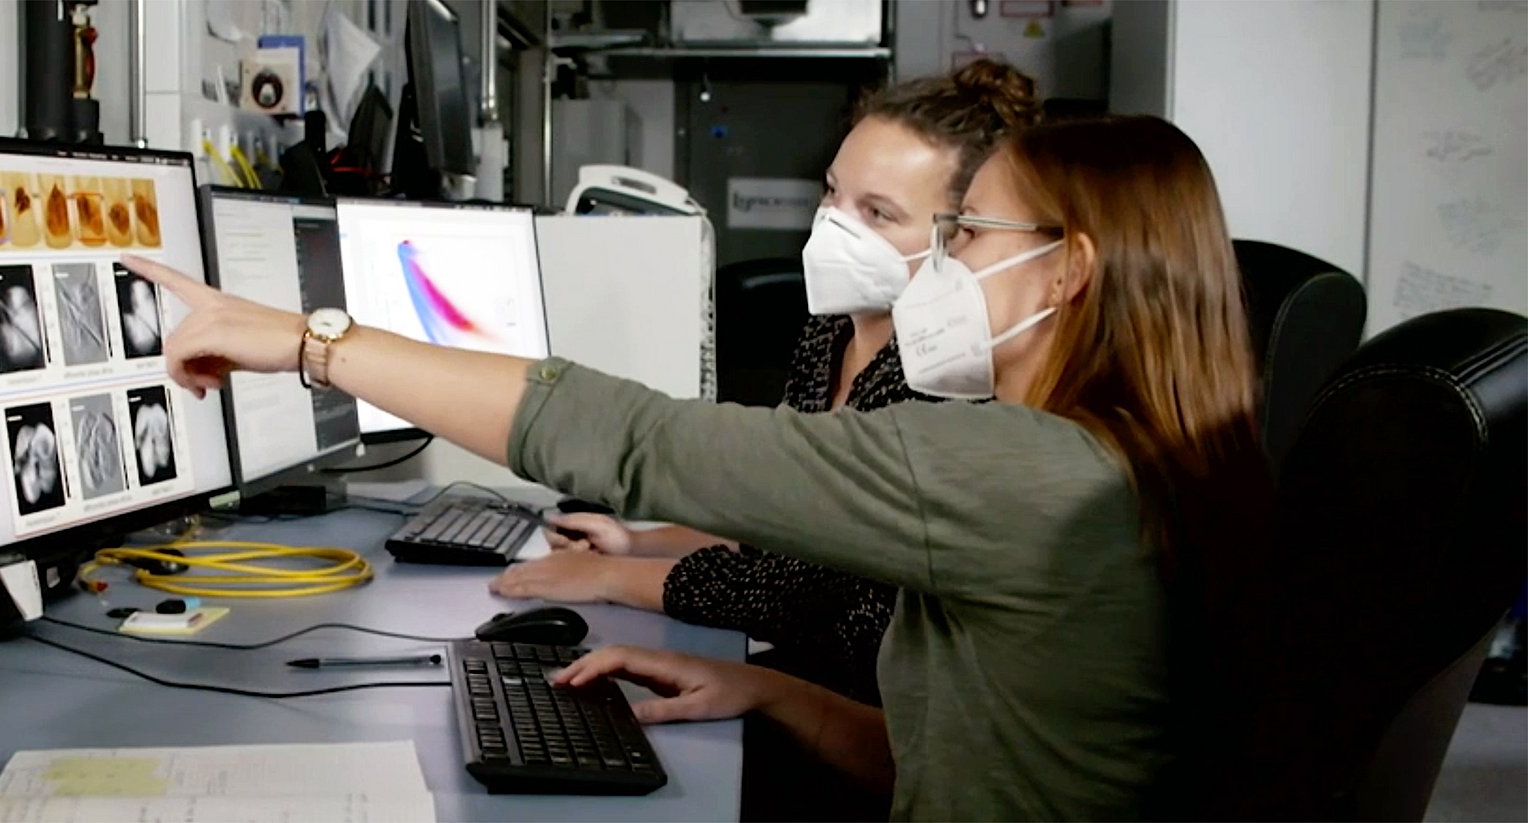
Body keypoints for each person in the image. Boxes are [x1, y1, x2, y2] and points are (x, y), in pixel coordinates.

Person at [120, 114, 1270, 820]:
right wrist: (772, 692)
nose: (942, 264)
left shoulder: (1029, 474)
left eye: (966, 235)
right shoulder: (1124, 461)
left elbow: (647, 444)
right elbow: (968, 766)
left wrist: (312, 341)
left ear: (1068, 271)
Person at [485, 60, 1042, 706]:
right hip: (796, 675)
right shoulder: (829, 332)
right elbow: (778, 518)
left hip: (862, 711)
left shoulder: (945, 381)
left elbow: (804, 593)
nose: (834, 224)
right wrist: (635, 542)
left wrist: (608, 578)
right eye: (833, 193)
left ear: (960, 237)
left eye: (877, 213)